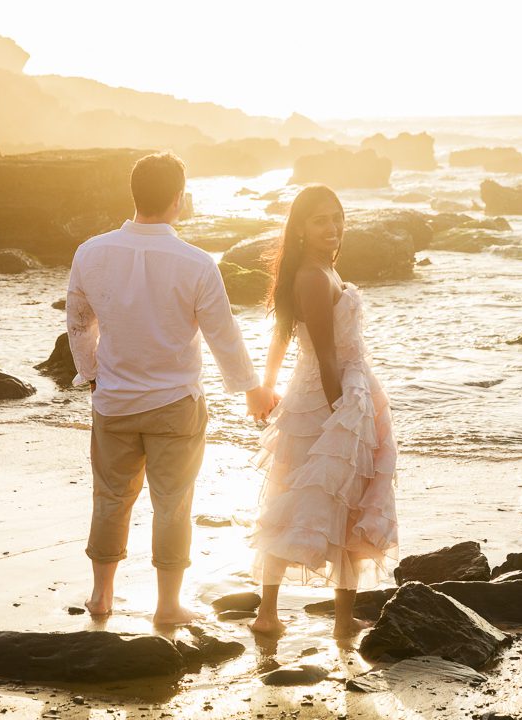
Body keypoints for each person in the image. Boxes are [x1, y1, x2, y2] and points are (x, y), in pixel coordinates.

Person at [66, 151, 276, 625]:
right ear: (179, 199)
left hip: (114, 401)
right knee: (173, 505)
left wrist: (92, 373)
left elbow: (79, 321)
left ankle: (101, 596)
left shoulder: (92, 252)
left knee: (110, 499)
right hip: (175, 404)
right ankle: (166, 606)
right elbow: (223, 333)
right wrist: (251, 390)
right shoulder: (196, 262)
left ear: (134, 194)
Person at [249, 184, 399, 639]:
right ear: (300, 228)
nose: (332, 227)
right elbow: (325, 352)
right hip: (325, 400)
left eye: (337, 217)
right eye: (320, 220)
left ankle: (339, 618)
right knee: (298, 500)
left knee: (347, 501)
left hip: (347, 390)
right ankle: (268, 613)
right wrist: (341, 413)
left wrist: (269, 384)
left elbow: (280, 334)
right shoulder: (312, 277)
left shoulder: (322, 270)